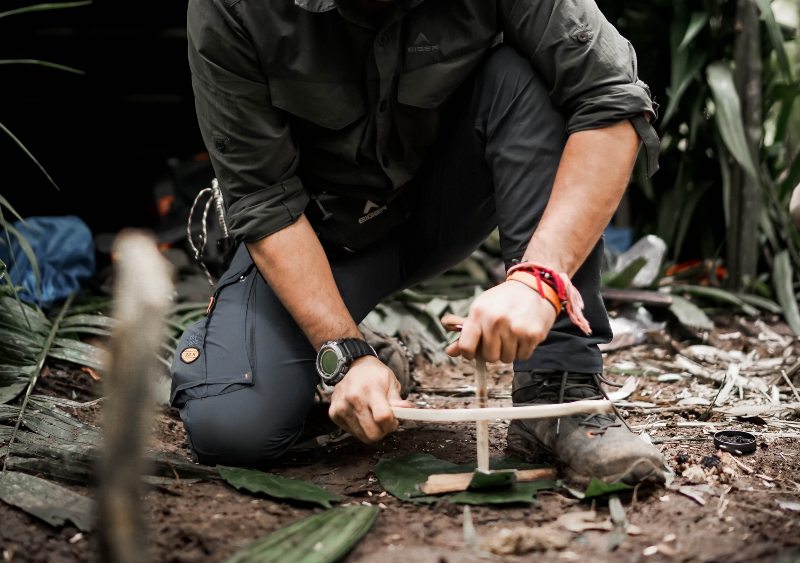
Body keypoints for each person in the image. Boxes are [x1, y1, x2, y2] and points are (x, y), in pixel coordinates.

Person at [170, 0, 667, 488]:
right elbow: (265, 202)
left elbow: (611, 100)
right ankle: (362, 352)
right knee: (233, 427)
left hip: (443, 207)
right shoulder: (231, 8)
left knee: (533, 75)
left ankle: (559, 388)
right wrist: (345, 353)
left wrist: (542, 278)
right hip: (321, 238)